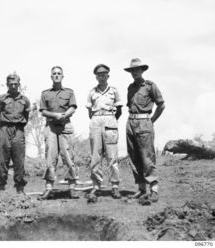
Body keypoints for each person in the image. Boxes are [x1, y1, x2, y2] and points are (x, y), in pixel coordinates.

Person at [124, 58, 165, 203]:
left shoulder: (150, 86)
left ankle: (153, 189)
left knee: (147, 157)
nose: (134, 72)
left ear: (142, 70)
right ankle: (142, 189)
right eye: (132, 70)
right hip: (130, 122)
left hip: (144, 122)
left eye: (137, 69)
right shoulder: (130, 87)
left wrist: (151, 120)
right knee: (134, 157)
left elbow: (161, 105)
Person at [38, 66, 79, 200]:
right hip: (51, 127)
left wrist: (64, 115)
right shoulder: (45, 93)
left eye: (59, 74)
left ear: (62, 76)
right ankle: (49, 187)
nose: (56, 75)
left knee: (68, 156)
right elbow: (43, 111)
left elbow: (73, 107)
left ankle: (72, 187)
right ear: (51, 77)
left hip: (65, 125)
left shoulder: (69, 92)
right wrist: (55, 115)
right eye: (54, 74)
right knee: (50, 157)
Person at [85, 64, 123, 203]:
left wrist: (110, 119)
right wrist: (98, 119)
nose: (101, 77)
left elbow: (119, 110)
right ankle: (96, 185)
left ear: (108, 76)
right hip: (96, 120)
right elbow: (89, 111)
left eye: (104, 74)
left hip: (110, 120)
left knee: (112, 157)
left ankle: (114, 185)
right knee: (96, 156)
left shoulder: (114, 91)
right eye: (99, 75)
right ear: (96, 77)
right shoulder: (92, 92)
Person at [0, 73, 30, 194]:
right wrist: (4, 128)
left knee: (19, 160)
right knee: (3, 159)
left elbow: (26, 116)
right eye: (11, 84)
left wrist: (18, 127)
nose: (13, 86)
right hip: (5, 129)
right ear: (7, 85)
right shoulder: (2, 99)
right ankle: (0, 187)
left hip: (19, 130)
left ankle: (20, 188)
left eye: (15, 84)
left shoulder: (24, 100)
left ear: (19, 84)